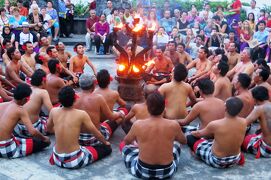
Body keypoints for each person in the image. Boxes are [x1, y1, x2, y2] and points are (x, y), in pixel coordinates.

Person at [120, 92, 186, 179]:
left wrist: (138, 144)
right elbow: (184, 141)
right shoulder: (173, 124)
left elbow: (126, 141)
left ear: (148, 108)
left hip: (143, 171)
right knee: (177, 145)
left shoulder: (138, 124)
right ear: (164, 108)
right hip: (166, 171)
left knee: (125, 148)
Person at [47, 86, 111, 169]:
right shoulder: (81, 114)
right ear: (75, 99)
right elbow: (96, 133)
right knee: (107, 149)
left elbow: (48, 129)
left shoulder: (53, 111)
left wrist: (60, 131)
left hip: (57, 158)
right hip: (75, 160)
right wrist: (106, 142)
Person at [186, 97, 246, 168]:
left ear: (225, 108)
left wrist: (192, 133)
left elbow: (198, 134)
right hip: (235, 158)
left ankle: (197, 154)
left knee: (190, 138)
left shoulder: (215, 124)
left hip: (217, 161)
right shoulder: (244, 122)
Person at [0, 83, 50, 158]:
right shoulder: (20, 109)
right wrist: (45, 138)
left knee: (19, 137)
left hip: (3, 144)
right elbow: (32, 132)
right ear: (25, 99)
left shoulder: (2, 105)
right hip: (7, 149)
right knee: (43, 142)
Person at [74, 73, 123, 146]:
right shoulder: (98, 98)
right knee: (119, 117)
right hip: (94, 138)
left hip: (76, 137)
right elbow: (111, 117)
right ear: (94, 84)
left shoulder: (73, 96)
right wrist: (120, 114)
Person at [13, 70, 53, 137]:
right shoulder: (43, 92)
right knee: (57, 126)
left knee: (43, 117)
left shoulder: (27, 89)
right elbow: (52, 111)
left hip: (19, 128)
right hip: (33, 128)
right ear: (43, 81)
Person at [242, 86, 271, 158]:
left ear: (255, 99)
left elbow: (244, 123)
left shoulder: (259, 109)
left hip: (267, 149)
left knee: (244, 140)